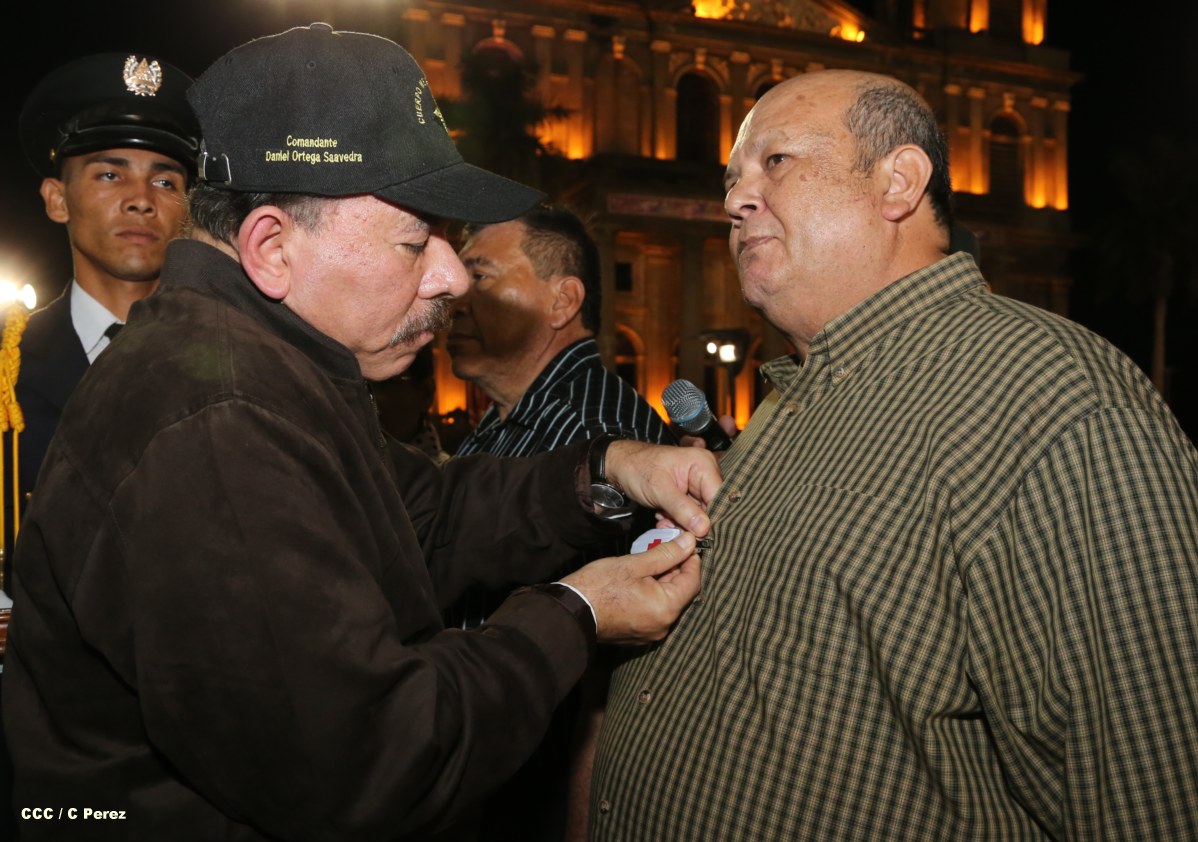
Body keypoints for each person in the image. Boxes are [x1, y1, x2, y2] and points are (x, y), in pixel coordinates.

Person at [2, 23, 720, 842]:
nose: (453, 276)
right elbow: (367, 761)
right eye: (417, 242)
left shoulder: (263, 365)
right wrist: (578, 614)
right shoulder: (217, 420)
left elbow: (424, 517)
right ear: (272, 248)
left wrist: (608, 470)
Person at [589, 69, 1198, 840]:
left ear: (898, 182)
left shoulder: (1056, 405)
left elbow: (1146, 789)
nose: (734, 200)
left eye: (775, 162)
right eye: (731, 179)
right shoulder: (795, 395)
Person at [0, 51, 200, 840]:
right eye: (109, 173)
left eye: (167, 179)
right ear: (57, 198)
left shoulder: (242, 369)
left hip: (206, 768)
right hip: (37, 762)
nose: (142, 199)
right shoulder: (6, 377)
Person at [445, 205, 674, 841]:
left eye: (479, 276)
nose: (453, 297)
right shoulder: (511, 419)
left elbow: (610, 673)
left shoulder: (593, 431)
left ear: (562, 300)